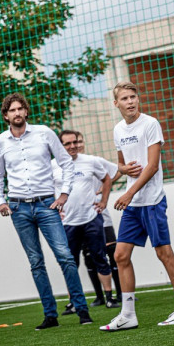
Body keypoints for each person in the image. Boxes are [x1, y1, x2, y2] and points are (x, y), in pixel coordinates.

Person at [0, 93, 92, 328]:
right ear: (5, 115)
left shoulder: (44, 132)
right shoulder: (0, 141)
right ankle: (50, 315)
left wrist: (64, 194)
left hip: (47, 205)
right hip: (18, 208)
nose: (17, 113)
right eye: (12, 110)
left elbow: (66, 163)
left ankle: (82, 310)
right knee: (36, 262)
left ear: (26, 111)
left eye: (20, 109)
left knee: (65, 256)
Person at [99, 82, 174, 331]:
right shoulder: (118, 129)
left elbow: (152, 166)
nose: (130, 102)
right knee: (120, 256)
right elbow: (121, 164)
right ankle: (128, 315)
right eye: (125, 98)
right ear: (116, 103)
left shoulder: (150, 124)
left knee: (163, 253)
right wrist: (122, 170)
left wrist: (129, 193)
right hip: (133, 204)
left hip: (151, 201)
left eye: (133, 97)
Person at [52, 129, 119, 309]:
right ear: (60, 146)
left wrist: (103, 201)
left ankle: (109, 297)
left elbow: (107, 179)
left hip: (92, 219)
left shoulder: (90, 161)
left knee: (100, 258)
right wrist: (54, 211)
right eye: (67, 144)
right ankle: (73, 302)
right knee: (69, 263)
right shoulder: (52, 166)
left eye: (75, 142)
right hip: (67, 223)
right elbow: (47, 191)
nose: (72, 146)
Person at [77, 131, 122, 308]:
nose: (77, 145)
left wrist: (103, 189)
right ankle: (99, 296)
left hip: (101, 217)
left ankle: (120, 293)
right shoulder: (64, 165)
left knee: (113, 254)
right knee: (89, 258)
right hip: (80, 220)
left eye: (80, 141)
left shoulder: (94, 161)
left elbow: (117, 171)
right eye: (73, 142)